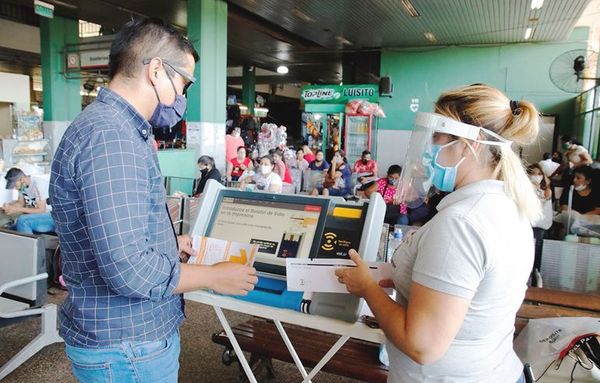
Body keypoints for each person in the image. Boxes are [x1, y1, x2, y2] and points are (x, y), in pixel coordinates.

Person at [49, 18, 257, 383]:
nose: (183, 97)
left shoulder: (116, 128)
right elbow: (130, 271)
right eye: (184, 83)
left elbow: (109, 235)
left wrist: (166, 243)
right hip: (127, 344)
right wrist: (213, 276)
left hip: (123, 341)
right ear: (157, 71)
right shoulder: (112, 137)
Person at [335, 84, 542, 383]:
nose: (430, 147)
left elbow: (423, 344)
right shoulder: (507, 205)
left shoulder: (461, 223)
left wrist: (368, 287)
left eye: (437, 137)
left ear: (472, 142)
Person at [1, 168, 55, 234]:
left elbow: (41, 210)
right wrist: (7, 207)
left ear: (22, 179)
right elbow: (21, 203)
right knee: (8, 225)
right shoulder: (22, 186)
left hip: (52, 216)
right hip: (38, 215)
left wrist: (15, 208)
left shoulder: (38, 184)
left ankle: (27, 244)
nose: (15, 188)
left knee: (22, 221)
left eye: (15, 185)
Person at [527, 163, 553, 286]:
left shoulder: (546, 192)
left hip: (539, 226)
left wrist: (545, 197)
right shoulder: (523, 189)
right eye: (533, 173)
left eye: (539, 174)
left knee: (538, 241)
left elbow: (544, 213)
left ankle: (535, 272)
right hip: (526, 224)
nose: (536, 176)